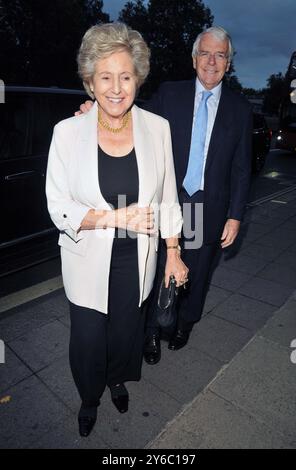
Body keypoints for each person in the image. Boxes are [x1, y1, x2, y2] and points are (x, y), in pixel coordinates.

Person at [76, 26, 253, 365]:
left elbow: (242, 168)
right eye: (205, 53)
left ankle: (184, 323)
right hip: (168, 198)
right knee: (157, 267)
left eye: (220, 55)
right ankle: (153, 331)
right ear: (193, 59)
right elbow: (129, 114)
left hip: (203, 204)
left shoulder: (240, 109)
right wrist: (94, 113)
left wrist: (235, 215)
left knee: (195, 270)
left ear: (228, 63)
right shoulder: (170, 95)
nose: (212, 61)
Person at [46, 22, 188, 438]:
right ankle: (89, 398)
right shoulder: (68, 133)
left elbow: (168, 199)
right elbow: (57, 207)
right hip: (87, 259)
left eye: (125, 76)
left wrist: (174, 251)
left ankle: (116, 380)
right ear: (90, 81)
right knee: (89, 340)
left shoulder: (157, 128)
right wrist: (112, 218)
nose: (115, 87)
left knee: (126, 333)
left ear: (138, 79)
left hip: (136, 258)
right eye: (105, 76)